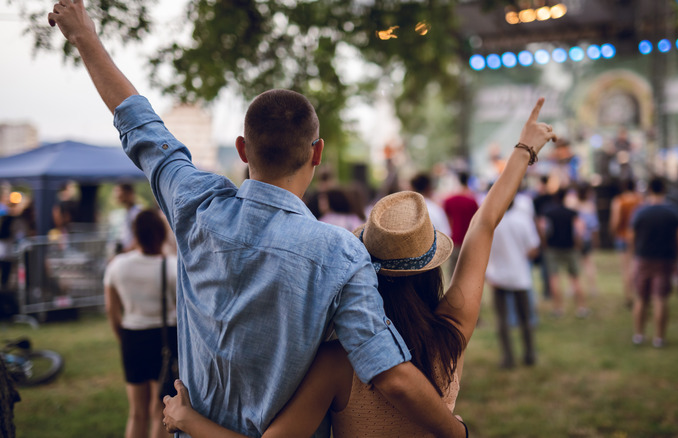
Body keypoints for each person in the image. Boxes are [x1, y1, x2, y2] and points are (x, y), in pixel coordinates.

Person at [49, 2, 468, 437]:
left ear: (243, 149)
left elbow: (141, 127)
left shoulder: (195, 205)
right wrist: (459, 433)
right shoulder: (340, 253)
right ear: (317, 152)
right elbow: (388, 373)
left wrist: (85, 38)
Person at [161, 100, 557, 437]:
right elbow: (483, 223)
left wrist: (189, 420)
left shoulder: (336, 362)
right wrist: (524, 149)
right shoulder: (453, 332)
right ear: (432, 267)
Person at [104, 209, 178, 438]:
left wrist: (122, 337)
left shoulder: (117, 266)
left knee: (136, 412)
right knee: (159, 411)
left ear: (135, 233)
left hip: (132, 337)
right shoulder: (173, 267)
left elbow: (111, 309)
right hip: (166, 339)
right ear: (161, 233)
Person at [486, 199, 540, 367]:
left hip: (497, 276)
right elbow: (533, 249)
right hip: (519, 275)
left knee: (502, 320)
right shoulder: (522, 220)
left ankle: (508, 358)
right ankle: (529, 354)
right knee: (525, 318)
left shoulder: (491, 222)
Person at [628, 177, 678, 348]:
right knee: (660, 299)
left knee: (641, 298)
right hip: (664, 259)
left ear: (649, 189)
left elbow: (631, 237)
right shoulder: (673, 211)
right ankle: (659, 338)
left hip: (643, 257)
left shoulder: (640, 211)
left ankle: (638, 335)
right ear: (664, 189)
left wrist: (633, 255)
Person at [541, 188, 587, 317]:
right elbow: (579, 230)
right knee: (575, 278)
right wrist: (578, 243)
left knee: (554, 278)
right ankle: (581, 308)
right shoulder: (572, 213)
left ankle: (558, 309)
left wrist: (545, 243)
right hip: (570, 247)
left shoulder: (549, 213)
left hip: (553, 248)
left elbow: (543, 229)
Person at [610, 179, 641, 308]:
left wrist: (613, 232)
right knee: (636, 268)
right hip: (638, 237)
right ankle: (639, 295)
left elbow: (615, 220)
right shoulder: (640, 200)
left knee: (626, 269)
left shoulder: (619, 200)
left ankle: (629, 297)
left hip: (622, 237)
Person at [443, 172, 479, 273]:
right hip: (468, 241)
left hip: (454, 241)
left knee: (452, 274)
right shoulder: (472, 201)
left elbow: (446, 220)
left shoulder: (449, 200)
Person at [575, 182, 600, 296]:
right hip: (587, 237)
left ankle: (574, 288)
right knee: (589, 263)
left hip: (577, 238)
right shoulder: (590, 206)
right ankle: (592, 288)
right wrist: (596, 239)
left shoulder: (574, 205)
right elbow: (595, 225)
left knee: (576, 264)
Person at [410, 172, 452, 238]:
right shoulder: (435, 209)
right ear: (428, 188)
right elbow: (446, 233)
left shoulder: (408, 210)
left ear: (412, 188)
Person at [113, 183, 142, 253]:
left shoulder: (136, 213)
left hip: (133, 253)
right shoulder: (127, 212)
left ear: (128, 193)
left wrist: (127, 251)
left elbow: (139, 236)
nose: (117, 195)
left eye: (119, 192)